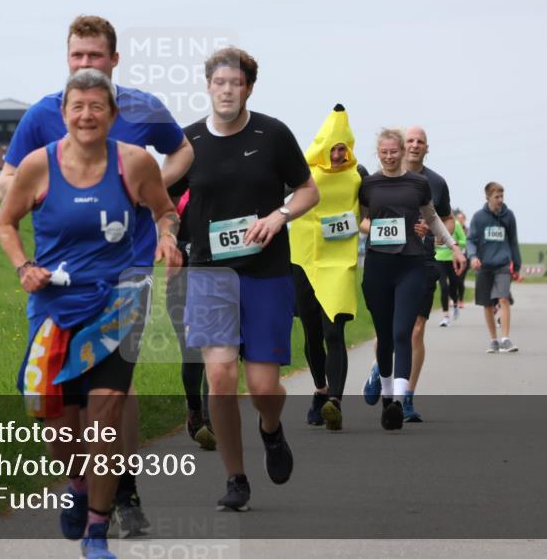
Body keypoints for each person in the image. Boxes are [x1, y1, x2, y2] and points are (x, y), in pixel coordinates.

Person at [0, 15, 193, 537]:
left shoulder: (143, 109)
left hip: (130, 271)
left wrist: (150, 190)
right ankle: (82, 483)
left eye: (95, 55)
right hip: (62, 273)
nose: (86, 63)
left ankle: (122, 494)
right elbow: (8, 181)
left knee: (114, 391)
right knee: (59, 399)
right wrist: (30, 195)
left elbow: (182, 151)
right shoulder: (44, 113)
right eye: (77, 55)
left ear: (114, 59)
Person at [176, 47, 319, 510]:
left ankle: (271, 429)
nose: (227, 91)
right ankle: (235, 477)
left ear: (249, 88)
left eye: (236, 83)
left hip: (266, 272)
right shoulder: (189, 141)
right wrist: (163, 235)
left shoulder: (273, 134)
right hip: (209, 274)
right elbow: (161, 197)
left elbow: (308, 190)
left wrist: (280, 216)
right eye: (219, 83)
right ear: (208, 86)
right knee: (220, 377)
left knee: (262, 387)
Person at [359, 128, 461, 430]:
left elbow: (432, 218)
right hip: (378, 266)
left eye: (394, 151)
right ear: (378, 153)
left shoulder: (419, 184)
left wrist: (453, 246)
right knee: (385, 336)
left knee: (404, 332)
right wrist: (375, 228)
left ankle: (400, 400)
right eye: (384, 152)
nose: (389, 157)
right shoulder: (368, 184)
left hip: (411, 265)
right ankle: (387, 396)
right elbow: (361, 220)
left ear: (402, 151)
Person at [289, 104, 366, 431]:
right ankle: (320, 390)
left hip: (339, 262)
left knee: (334, 331)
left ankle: (335, 401)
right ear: (322, 148)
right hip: (304, 259)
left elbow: (378, 205)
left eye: (342, 149)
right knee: (312, 333)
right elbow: (270, 197)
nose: (337, 155)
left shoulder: (359, 175)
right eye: (332, 149)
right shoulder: (303, 172)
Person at [166, 188, 216, 449]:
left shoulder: (226, 188)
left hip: (219, 279)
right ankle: (194, 409)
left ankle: (211, 417)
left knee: (216, 351)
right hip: (181, 283)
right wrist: (180, 246)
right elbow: (160, 230)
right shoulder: (175, 191)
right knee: (192, 352)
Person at [467, 182, 522, 354]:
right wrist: (473, 257)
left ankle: (505, 339)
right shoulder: (478, 217)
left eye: (501, 196)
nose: (500, 200)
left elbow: (513, 241)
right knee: (488, 304)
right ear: (488, 198)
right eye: (496, 197)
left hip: (503, 265)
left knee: (503, 299)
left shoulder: (509, 216)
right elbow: (471, 240)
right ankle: (493, 340)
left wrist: (517, 264)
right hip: (484, 266)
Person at [436, 210, 468, 323]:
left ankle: (455, 303)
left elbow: (464, 241)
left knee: (453, 287)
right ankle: (445, 316)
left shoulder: (456, 224)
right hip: (439, 259)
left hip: (453, 261)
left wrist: (454, 244)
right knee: (444, 287)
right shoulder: (434, 223)